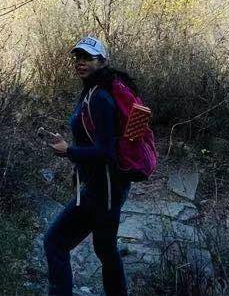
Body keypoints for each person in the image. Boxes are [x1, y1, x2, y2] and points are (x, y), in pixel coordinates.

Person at [43, 35, 137, 296]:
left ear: (102, 61)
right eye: (78, 57)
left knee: (54, 242)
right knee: (106, 251)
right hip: (108, 187)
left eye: (87, 58)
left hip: (103, 190)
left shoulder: (100, 98)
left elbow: (106, 151)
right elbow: (94, 139)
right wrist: (69, 148)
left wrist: (69, 151)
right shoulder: (93, 90)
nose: (80, 63)